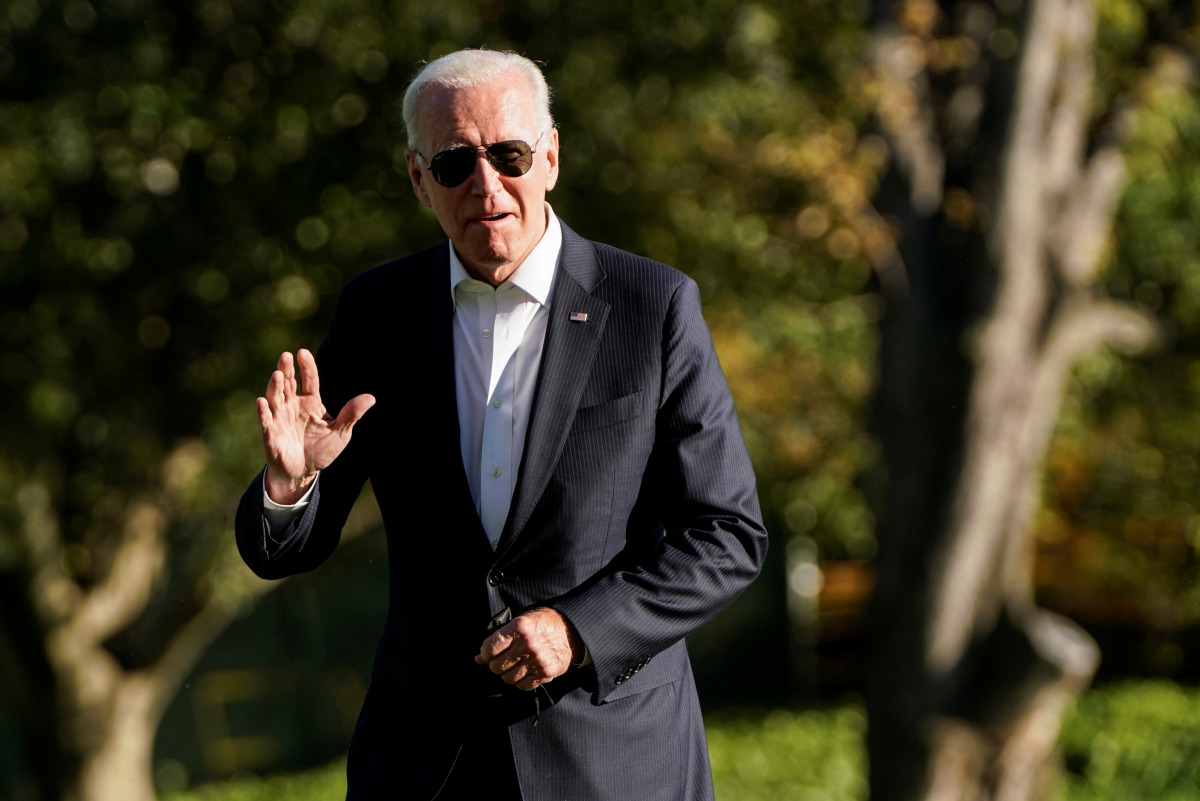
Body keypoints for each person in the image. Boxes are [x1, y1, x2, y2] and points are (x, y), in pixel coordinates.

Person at [235, 48, 766, 801]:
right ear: (419, 180)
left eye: (509, 154)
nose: (486, 186)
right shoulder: (376, 315)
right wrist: (292, 486)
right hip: (426, 764)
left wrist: (578, 630)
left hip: (612, 763)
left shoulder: (653, 307)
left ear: (550, 155)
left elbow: (726, 534)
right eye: (454, 164)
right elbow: (288, 547)